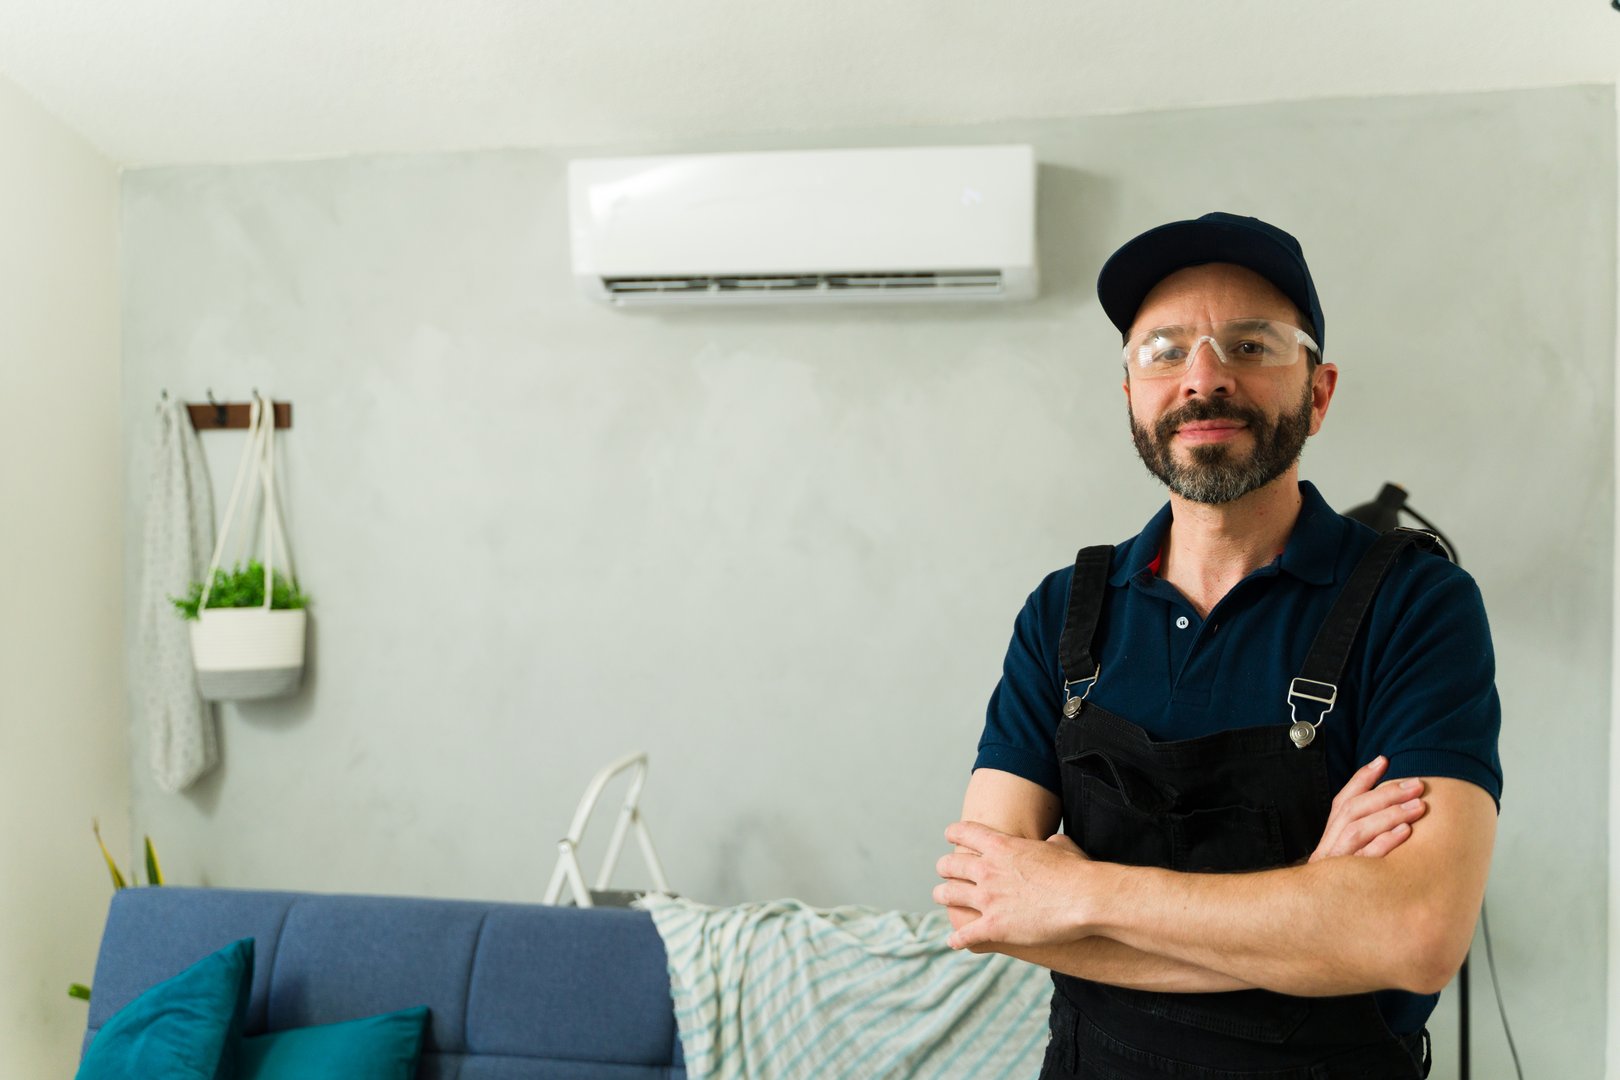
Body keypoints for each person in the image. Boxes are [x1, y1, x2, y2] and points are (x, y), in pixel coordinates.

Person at [932, 212, 1502, 1079]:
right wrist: (1315, 909)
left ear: (1318, 390)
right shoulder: (1061, 612)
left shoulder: (1417, 605)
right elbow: (986, 908)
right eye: (1164, 350)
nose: (1205, 379)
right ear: (1131, 395)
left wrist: (1082, 893)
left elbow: (1412, 936)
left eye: (1250, 345)